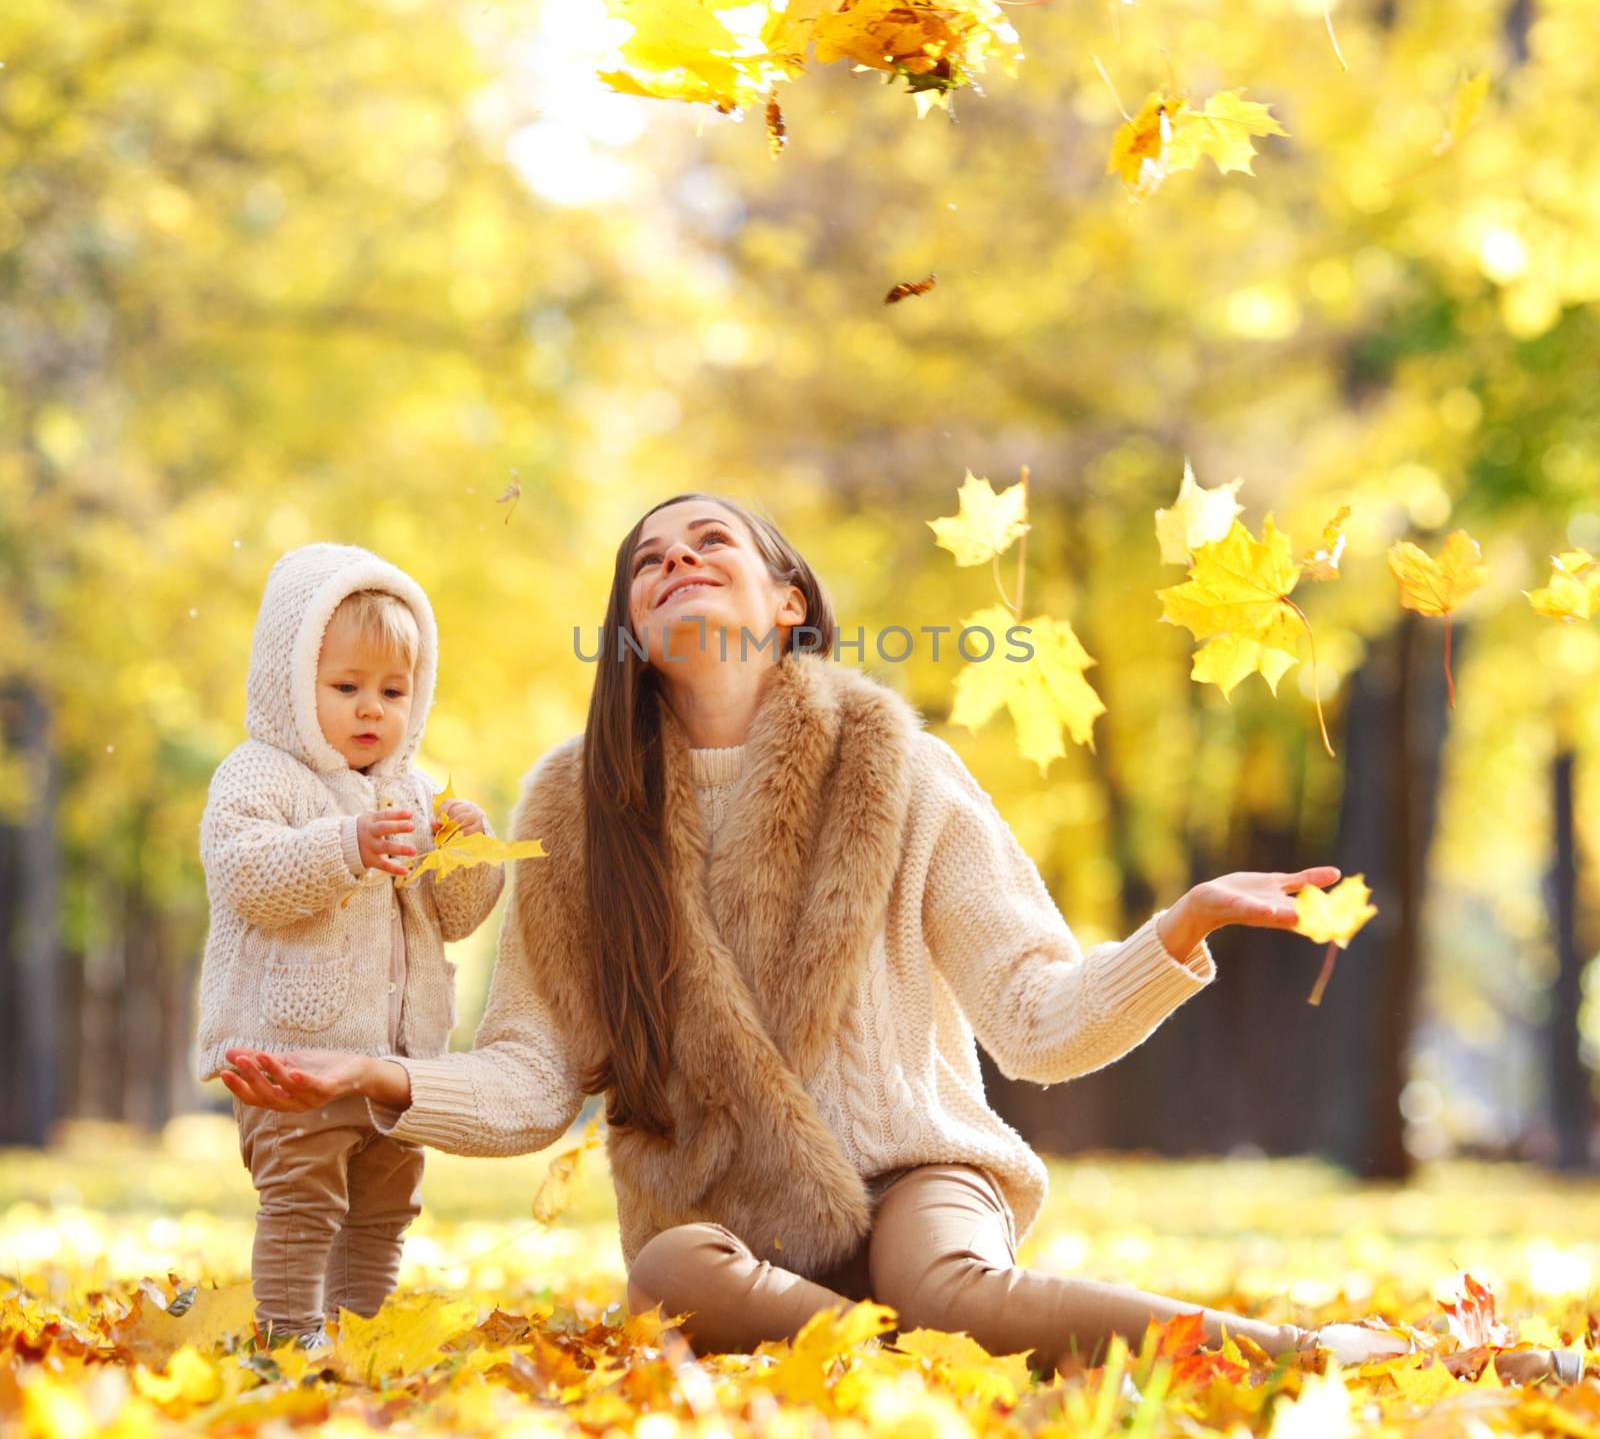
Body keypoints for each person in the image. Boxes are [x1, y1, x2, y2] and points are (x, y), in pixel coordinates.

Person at [221, 500, 1583, 1386]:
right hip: (722, 1213)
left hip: (921, 1170)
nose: (675, 562)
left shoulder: (901, 769)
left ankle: (1308, 1353)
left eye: (710, 544)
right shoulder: (570, 810)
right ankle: (938, 1353)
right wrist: (381, 1086)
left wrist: (1180, 929)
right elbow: (530, 1071)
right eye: (647, 558)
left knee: (938, 1274)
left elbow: (1037, 1018)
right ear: (631, 635)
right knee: (668, 1273)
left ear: (789, 603)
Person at [198, 542, 504, 1347]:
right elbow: (246, 873)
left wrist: (464, 858)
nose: (373, 710)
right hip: (290, 1057)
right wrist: (347, 847)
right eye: (346, 688)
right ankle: (292, 1338)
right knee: (302, 1202)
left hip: (395, 1064)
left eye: (394, 691)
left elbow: (453, 917)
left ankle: (358, 1337)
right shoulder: (258, 774)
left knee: (384, 1208)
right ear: (290, 685)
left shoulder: (408, 789)